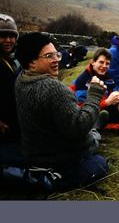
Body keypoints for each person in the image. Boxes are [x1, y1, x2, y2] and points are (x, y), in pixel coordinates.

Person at [14, 32, 108, 190]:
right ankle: (96, 130)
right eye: (49, 56)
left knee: (90, 127)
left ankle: (96, 126)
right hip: (59, 159)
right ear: (32, 62)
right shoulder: (53, 88)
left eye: (56, 54)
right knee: (98, 161)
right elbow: (77, 129)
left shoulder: (21, 79)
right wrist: (95, 94)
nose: (57, 59)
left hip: (35, 155)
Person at [0, 14, 23, 167]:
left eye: (11, 36)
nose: (8, 40)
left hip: (12, 126)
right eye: (2, 36)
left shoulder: (12, 61)